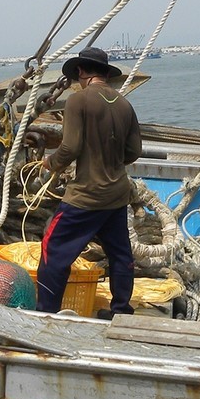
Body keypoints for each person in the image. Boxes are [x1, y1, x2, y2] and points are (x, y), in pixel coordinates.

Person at [35, 47, 143, 315]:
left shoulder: (78, 101)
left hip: (86, 195)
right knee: (119, 253)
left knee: (53, 249)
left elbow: (70, 147)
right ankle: (120, 310)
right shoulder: (124, 104)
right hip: (117, 194)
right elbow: (134, 152)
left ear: (81, 71)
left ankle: (46, 312)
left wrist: (51, 163)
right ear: (106, 73)